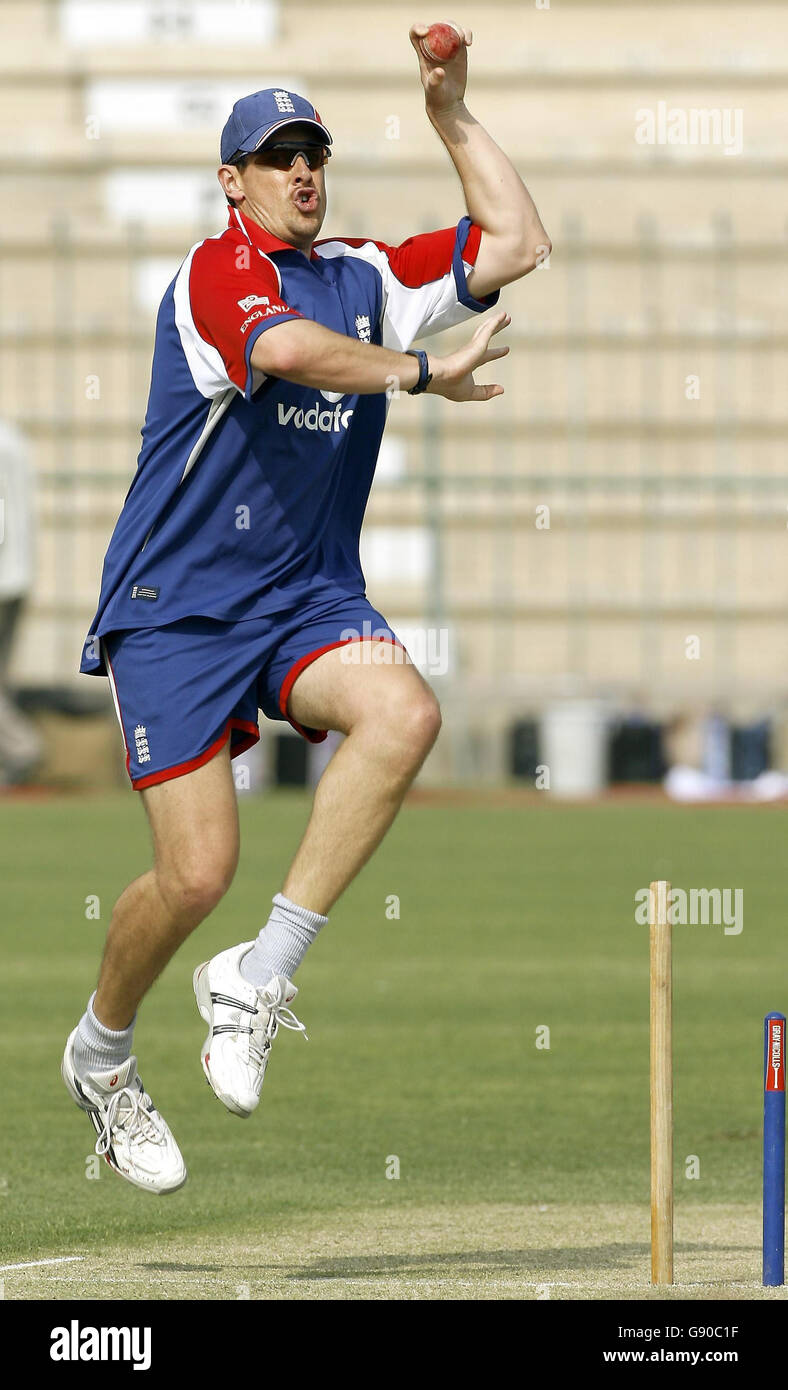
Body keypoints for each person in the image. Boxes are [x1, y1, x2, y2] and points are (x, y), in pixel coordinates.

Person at [61, 24, 550, 1192]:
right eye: (276, 157)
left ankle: (258, 977)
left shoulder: (367, 275)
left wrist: (449, 115)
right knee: (194, 876)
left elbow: (518, 240)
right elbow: (285, 352)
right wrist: (422, 371)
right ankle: (103, 1055)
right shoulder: (220, 271)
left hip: (304, 598)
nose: (300, 173)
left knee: (405, 715)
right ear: (231, 180)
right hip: (176, 607)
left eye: (311, 153)